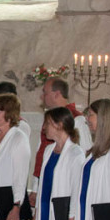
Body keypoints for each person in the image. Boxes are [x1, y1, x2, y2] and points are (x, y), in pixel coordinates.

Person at [31, 78, 90, 209]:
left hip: (65, 187)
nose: (42, 96)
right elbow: (41, 152)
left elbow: (85, 153)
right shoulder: (49, 119)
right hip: (47, 181)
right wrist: (36, 187)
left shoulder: (78, 119)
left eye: (45, 92)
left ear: (56, 94)